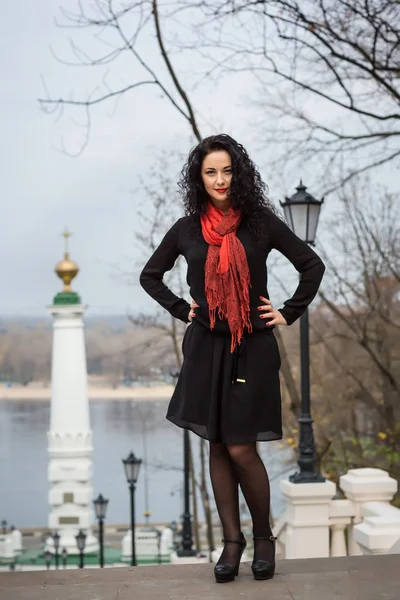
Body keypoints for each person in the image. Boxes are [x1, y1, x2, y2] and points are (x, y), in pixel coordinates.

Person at [140, 134, 325, 583]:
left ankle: (263, 537)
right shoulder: (186, 229)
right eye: (210, 172)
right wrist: (184, 310)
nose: (219, 179)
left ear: (237, 173)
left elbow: (311, 265)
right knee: (218, 444)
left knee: (242, 446)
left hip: (252, 346)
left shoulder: (260, 223)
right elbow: (150, 276)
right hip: (206, 347)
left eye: (226, 170)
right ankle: (231, 542)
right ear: (199, 178)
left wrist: (288, 312)